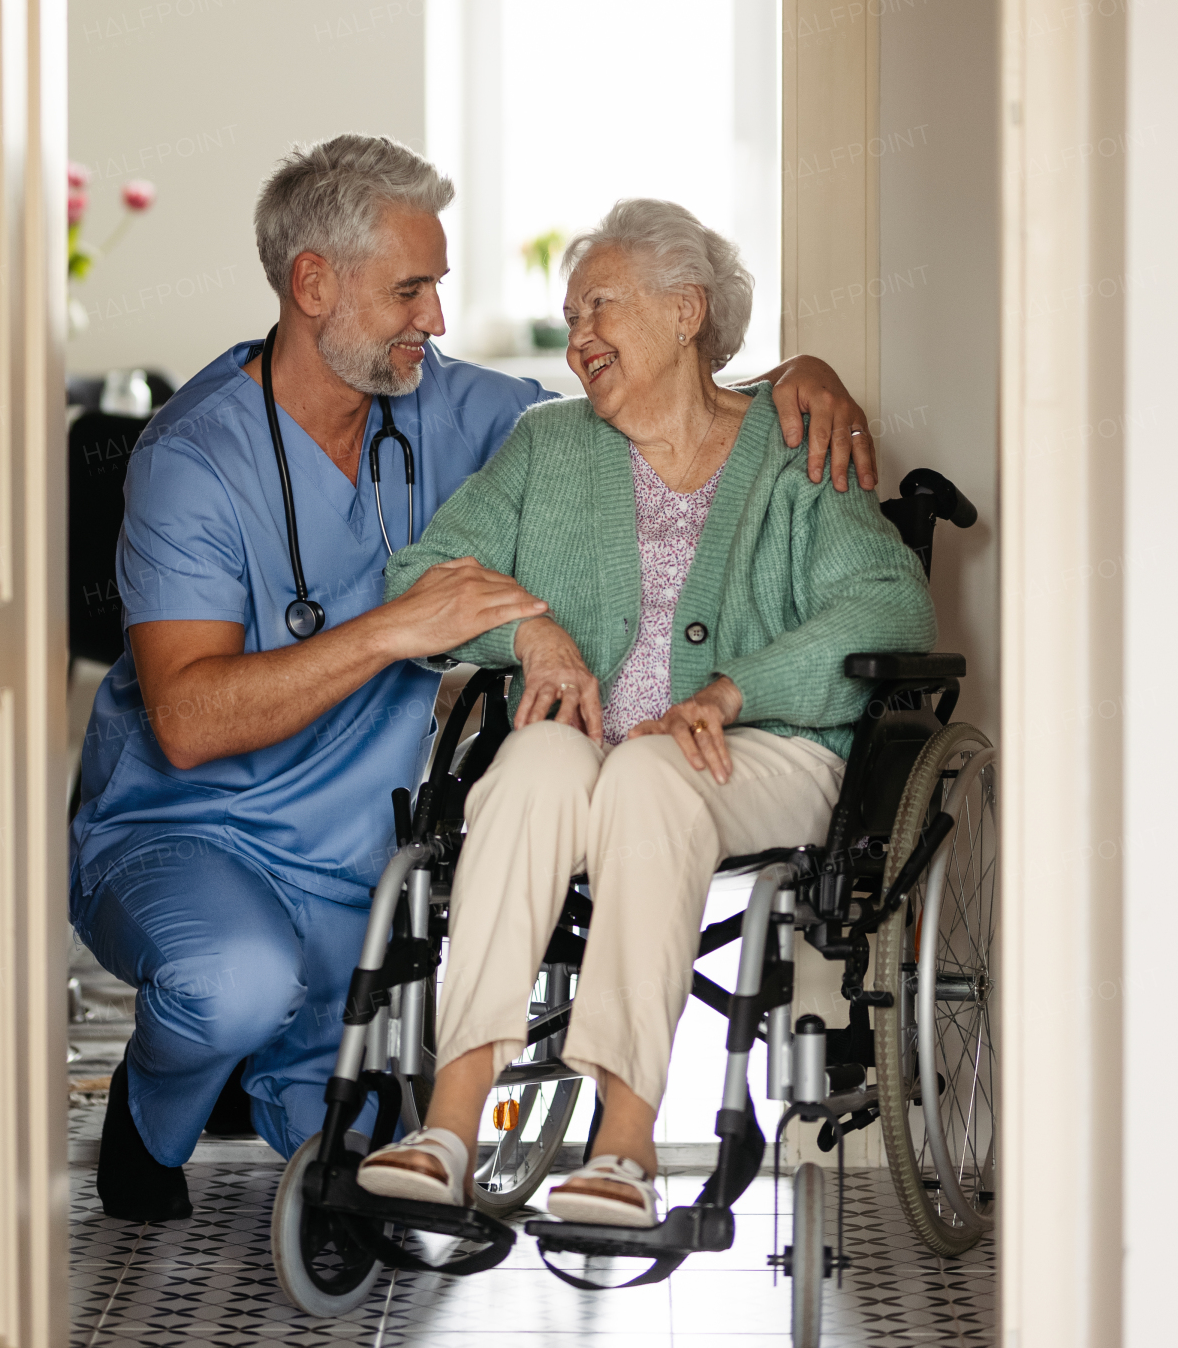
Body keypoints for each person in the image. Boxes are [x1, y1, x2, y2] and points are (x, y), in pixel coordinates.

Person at [69, 138, 879, 1223]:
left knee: (352, 1158)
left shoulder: (459, 412)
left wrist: (796, 377)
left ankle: (349, 1097)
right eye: (412, 288)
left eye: (438, 286)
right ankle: (153, 1103)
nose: (437, 319)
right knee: (231, 987)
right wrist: (393, 630)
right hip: (194, 828)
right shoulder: (190, 461)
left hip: (358, 857)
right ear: (315, 284)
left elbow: (654, 405)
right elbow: (187, 720)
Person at [360, 198, 933, 1224]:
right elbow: (423, 573)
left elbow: (885, 603)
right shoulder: (546, 446)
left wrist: (734, 687)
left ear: (684, 314)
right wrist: (522, 632)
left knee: (647, 775)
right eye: (570, 318)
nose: (577, 339)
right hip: (590, 748)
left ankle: (620, 1146)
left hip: (758, 752)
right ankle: (448, 1126)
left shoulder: (792, 447)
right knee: (530, 766)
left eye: (599, 310)